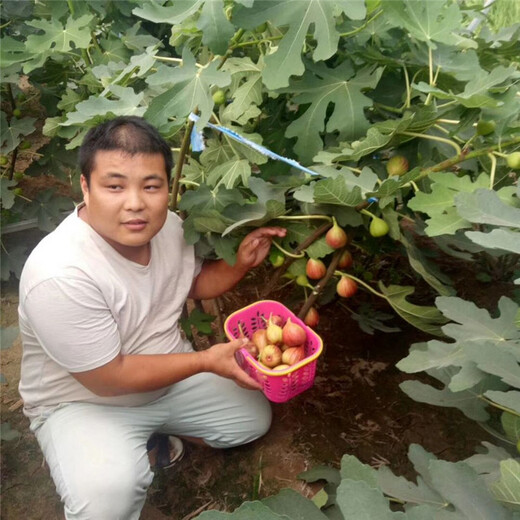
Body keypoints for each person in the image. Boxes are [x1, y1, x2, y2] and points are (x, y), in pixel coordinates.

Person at [17, 116, 286, 520]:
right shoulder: (59, 274)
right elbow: (108, 378)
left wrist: (240, 265)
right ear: (85, 188)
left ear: (166, 187)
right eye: (115, 186)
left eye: (151, 185)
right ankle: (102, 453)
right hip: (83, 402)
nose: (135, 203)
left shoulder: (167, 228)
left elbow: (191, 282)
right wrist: (205, 360)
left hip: (168, 376)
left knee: (249, 420)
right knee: (107, 498)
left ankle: (151, 433)